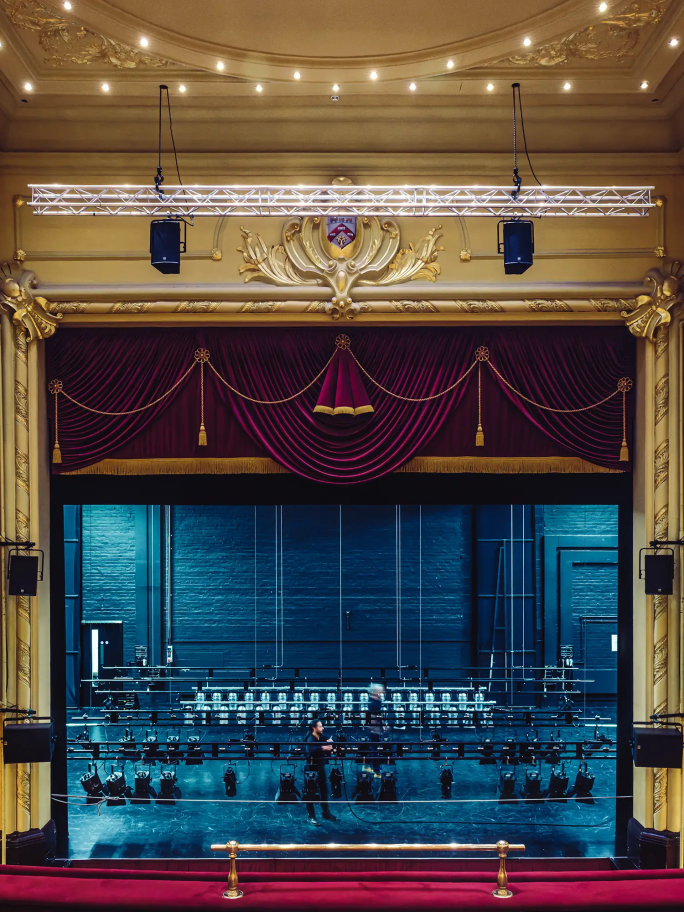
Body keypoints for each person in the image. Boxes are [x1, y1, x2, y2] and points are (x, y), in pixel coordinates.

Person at [304, 719, 337, 825]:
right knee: (310, 792)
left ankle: (326, 813)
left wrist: (330, 744)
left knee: (323, 791)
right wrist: (324, 747)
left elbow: (329, 744)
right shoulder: (310, 738)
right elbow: (311, 750)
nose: (322, 728)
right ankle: (311, 816)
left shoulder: (321, 736)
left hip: (320, 766)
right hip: (311, 768)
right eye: (320, 726)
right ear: (314, 728)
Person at [367, 683, 386, 776]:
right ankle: (376, 769)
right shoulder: (374, 703)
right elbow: (376, 717)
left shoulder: (376, 701)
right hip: (374, 729)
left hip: (375, 728)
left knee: (374, 748)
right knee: (375, 749)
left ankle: (373, 767)